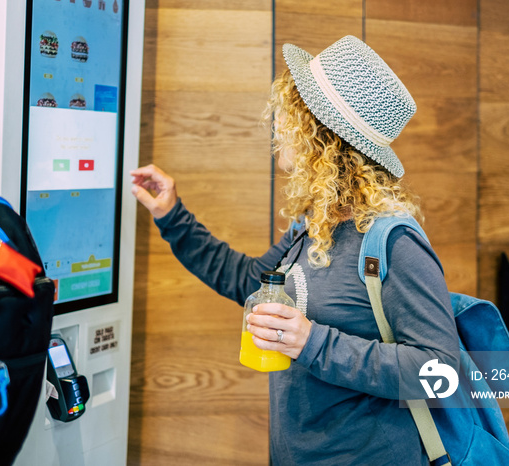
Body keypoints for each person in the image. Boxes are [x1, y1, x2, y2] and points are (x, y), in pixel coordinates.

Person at [131, 35, 459, 465]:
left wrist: (313, 342)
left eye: (291, 112)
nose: (279, 123)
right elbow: (250, 282)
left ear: (322, 135)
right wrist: (172, 215)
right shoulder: (315, 224)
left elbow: (441, 375)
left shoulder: (394, 242)